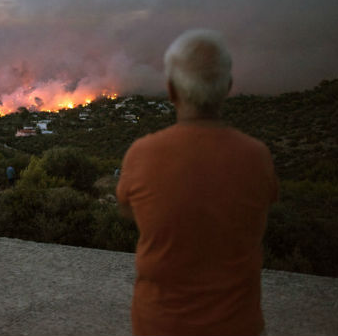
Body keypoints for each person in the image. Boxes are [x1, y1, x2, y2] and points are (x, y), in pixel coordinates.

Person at [116, 29, 278, 336]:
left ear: (172, 91)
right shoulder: (257, 157)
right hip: (237, 326)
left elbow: (128, 212)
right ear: (228, 87)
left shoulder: (142, 154)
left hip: (160, 325)